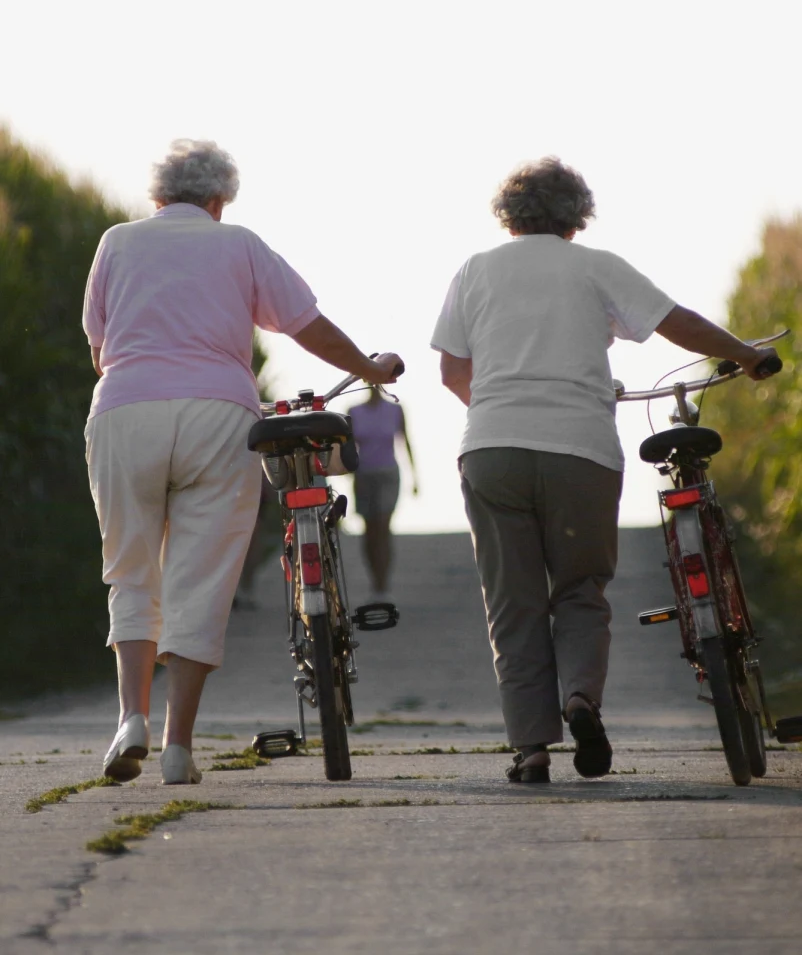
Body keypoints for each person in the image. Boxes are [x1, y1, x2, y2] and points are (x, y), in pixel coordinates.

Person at [430, 156, 776, 785]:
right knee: (580, 591)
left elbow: (454, 374)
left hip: (492, 450)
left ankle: (531, 750)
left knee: (514, 604)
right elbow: (678, 324)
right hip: (579, 451)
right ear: (575, 215)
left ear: (510, 214)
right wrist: (746, 355)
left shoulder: (474, 270)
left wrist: (505, 412)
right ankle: (581, 699)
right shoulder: (596, 266)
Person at [83, 139, 403, 785]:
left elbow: (100, 348)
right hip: (219, 416)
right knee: (198, 579)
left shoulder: (116, 243)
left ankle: (130, 719)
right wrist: (368, 368)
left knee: (131, 568)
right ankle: (177, 748)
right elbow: (304, 323)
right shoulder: (239, 244)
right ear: (218, 199)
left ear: (155, 196)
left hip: (124, 412)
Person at [348, 386, 418, 597]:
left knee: (383, 525)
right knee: (369, 530)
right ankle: (374, 577)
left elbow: (404, 441)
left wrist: (415, 476)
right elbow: (349, 447)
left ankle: (382, 583)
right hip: (363, 474)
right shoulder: (354, 411)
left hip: (388, 473)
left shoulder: (396, 410)